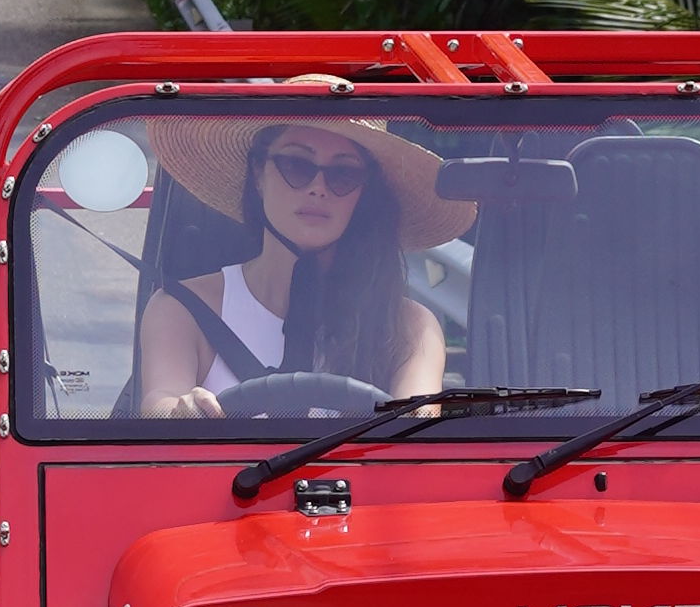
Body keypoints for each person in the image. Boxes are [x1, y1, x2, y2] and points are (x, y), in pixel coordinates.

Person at [133, 116, 468, 417]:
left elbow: (419, 427)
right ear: (258, 174)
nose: (318, 188)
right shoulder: (181, 309)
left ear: (363, 194)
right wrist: (181, 412)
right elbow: (159, 402)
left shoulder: (410, 326)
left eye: (343, 174)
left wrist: (414, 420)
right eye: (297, 165)